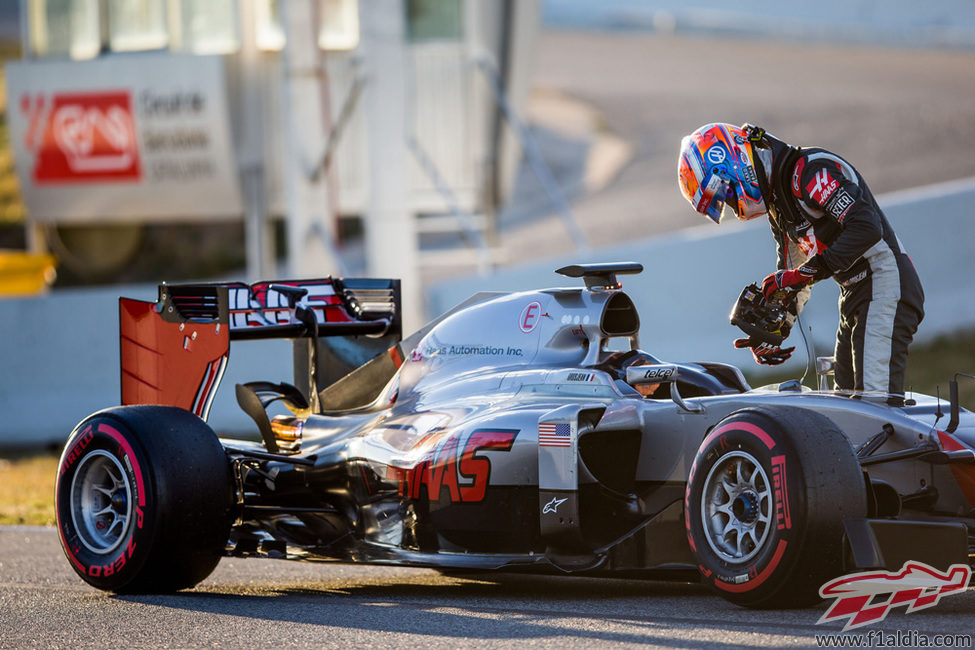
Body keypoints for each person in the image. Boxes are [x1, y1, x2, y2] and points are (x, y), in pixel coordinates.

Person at [676, 123, 924, 405]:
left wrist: (805, 274)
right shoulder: (779, 204)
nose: (733, 205)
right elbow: (792, 276)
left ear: (735, 164)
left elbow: (867, 227)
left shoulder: (809, 171)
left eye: (728, 195)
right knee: (847, 407)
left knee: (873, 408)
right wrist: (771, 331)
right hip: (857, 296)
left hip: (885, 284)